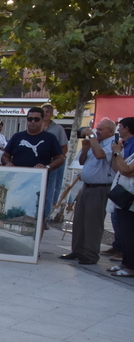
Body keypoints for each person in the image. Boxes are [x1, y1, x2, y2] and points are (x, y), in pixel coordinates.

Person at [60, 118, 117, 265]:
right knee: (79, 221)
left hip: (100, 187)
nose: (97, 132)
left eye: (100, 129)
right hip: (86, 186)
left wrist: (91, 136)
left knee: (93, 223)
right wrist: (85, 149)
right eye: (96, 129)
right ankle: (78, 250)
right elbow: (82, 161)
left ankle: (91, 255)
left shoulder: (112, 144)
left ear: (110, 131)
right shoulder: (94, 143)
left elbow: (100, 155)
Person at [108, 117, 134, 276]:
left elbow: (126, 170)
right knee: (124, 232)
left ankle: (131, 266)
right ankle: (125, 262)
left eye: (120, 127)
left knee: (130, 233)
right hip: (123, 197)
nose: (118, 130)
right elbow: (118, 167)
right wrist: (116, 154)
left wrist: (118, 152)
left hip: (131, 199)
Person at [42, 102, 69, 214]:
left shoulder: (58, 129)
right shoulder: (37, 127)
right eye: (43, 112)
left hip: (53, 164)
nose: (45, 114)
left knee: (50, 191)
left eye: (47, 112)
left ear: (52, 114)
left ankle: (46, 218)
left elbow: (64, 147)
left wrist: (57, 160)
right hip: (39, 163)